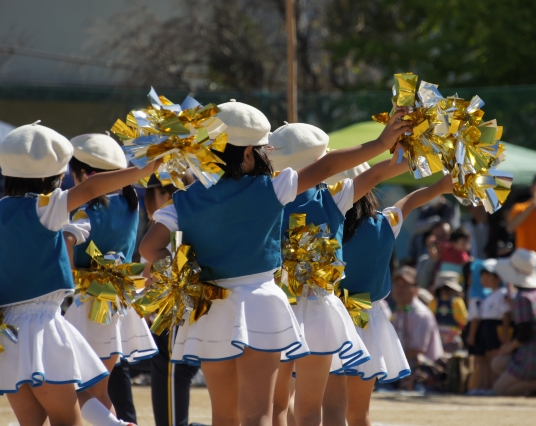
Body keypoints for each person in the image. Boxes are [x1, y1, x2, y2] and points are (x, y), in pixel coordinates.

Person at [139, 102, 414, 426]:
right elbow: (328, 166)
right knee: (259, 414)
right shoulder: (270, 188)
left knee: (224, 416)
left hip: (210, 308)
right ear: (247, 155)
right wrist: (381, 144)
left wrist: (183, 271)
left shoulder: (186, 198)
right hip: (261, 303)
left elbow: (148, 247)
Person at [0, 123, 160, 426]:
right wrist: (145, 168)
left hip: (7, 334)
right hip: (44, 326)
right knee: (68, 419)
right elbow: (89, 188)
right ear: (50, 178)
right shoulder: (45, 207)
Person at [267, 122, 411, 426]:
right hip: (319, 309)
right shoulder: (331, 198)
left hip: (273, 306)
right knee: (310, 408)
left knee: (276, 403)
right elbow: (377, 174)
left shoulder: (261, 197)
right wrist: (420, 147)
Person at [321, 168, 453, 426]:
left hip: (329, 319)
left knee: (331, 411)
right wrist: (442, 185)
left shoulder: (324, 225)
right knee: (360, 415)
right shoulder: (385, 222)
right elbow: (412, 200)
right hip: (368, 320)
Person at [63, 134, 158, 421]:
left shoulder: (83, 211)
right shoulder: (131, 204)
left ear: (83, 175)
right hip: (119, 302)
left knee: (75, 389)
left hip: (89, 304)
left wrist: (68, 281)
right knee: (99, 391)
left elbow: (67, 243)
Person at [142, 175, 201, 426]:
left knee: (170, 366)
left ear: (166, 195)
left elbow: (151, 259)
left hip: (188, 307)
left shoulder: (175, 211)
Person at [491, 249, 536, 396]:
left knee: (500, 389)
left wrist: (509, 347)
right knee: (497, 364)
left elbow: (525, 333)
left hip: (533, 354)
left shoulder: (522, 297)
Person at [390, 266, 443, 390]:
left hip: (425, 373)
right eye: (397, 285)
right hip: (402, 369)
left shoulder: (421, 314)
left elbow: (418, 350)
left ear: (416, 290)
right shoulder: (398, 312)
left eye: (405, 286)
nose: (399, 290)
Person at [467, 259, 510, 394]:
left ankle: (495, 386)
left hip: (495, 328)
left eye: (488, 276)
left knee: (494, 359)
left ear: (498, 277)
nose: (484, 279)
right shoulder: (490, 295)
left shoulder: (502, 293)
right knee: (487, 359)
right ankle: (485, 386)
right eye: (482, 276)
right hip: (487, 328)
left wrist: (504, 334)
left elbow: (506, 315)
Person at [429, 271, 468, 353]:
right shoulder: (457, 302)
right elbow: (463, 321)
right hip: (452, 338)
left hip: (438, 338)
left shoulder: (434, 302)